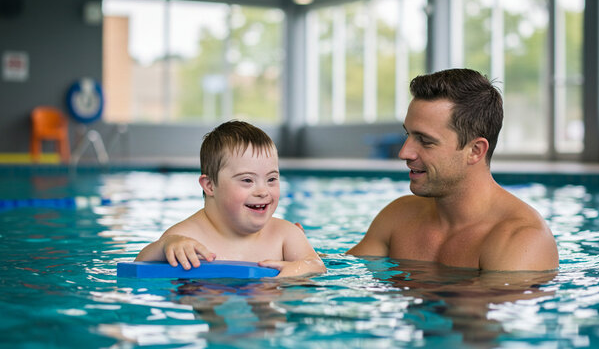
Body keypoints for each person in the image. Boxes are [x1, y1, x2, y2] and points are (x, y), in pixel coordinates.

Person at [347, 68, 559, 271]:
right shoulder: (399, 216)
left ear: (475, 150)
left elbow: (474, 307)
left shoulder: (521, 240)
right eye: (408, 135)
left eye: (425, 141)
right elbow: (343, 274)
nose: (404, 153)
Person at [136, 120, 326, 277]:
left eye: (271, 179)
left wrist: (296, 270)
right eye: (247, 180)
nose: (263, 191)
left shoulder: (284, 234)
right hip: (210, 302)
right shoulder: (186, 237)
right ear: (210, 185)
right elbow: (139, 266)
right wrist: (164, 246)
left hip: (267, 304)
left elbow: (317, 265)